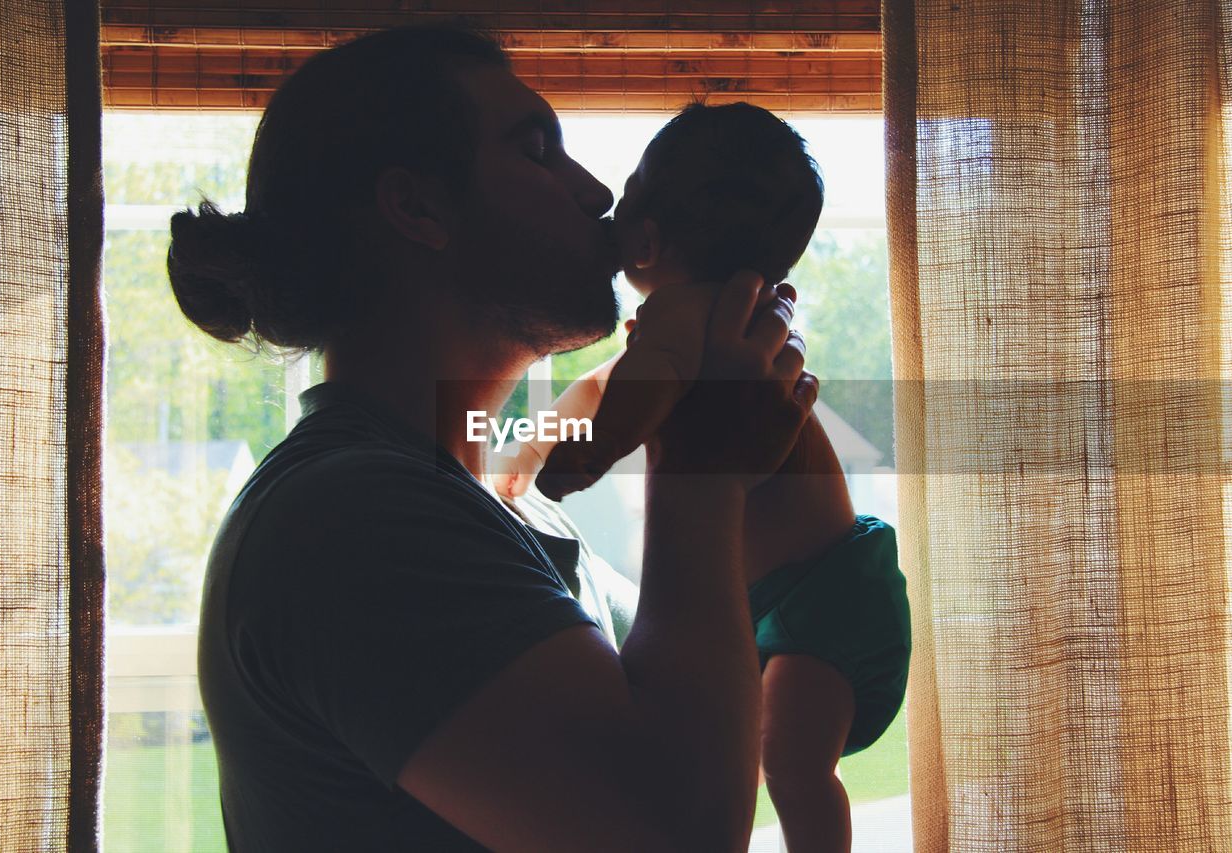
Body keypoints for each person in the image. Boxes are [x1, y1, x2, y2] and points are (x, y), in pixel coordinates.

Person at [168, 23, 817, 853]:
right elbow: (679, 830)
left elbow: (709, 721)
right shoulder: (353, 518)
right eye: (538, 149)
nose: (597, 194)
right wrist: (704, 468)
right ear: (418, 206)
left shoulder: (513, 512)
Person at [492, 102, 912, 852]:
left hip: (824, 592)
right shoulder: (704, 320)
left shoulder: (687, 322)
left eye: (623, 196)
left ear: (648, 236)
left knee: (790, 761)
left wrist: (579, 459)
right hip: (799, 587)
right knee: (773, 757)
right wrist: (520, 447)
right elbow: (606, 383)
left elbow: (633, 396)